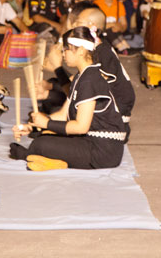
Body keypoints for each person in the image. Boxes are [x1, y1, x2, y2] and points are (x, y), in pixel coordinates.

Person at [10, 26, 126, 170]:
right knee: (43, 136)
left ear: (81, 50)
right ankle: (57, 162)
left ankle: (29, 155)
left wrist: (46, 123)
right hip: (92, 142)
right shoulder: (81, 76)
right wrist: (33, 126)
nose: (63, 54)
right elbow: (62, 114)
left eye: (66, 49)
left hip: (103, 151)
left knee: (40, 144)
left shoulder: (90, 80)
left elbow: (81, 127)